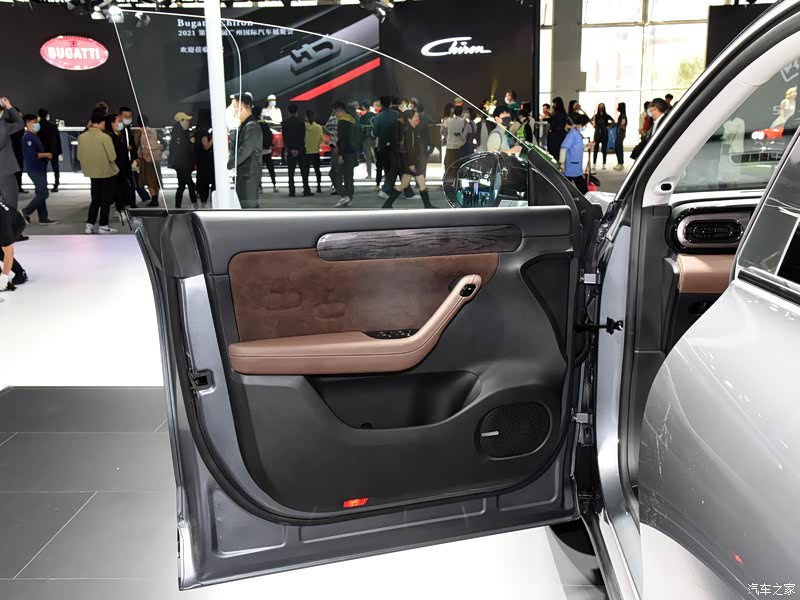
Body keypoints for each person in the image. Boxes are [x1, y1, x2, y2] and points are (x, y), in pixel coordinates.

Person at [381, 109, 434, 209]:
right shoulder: (410, 131)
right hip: (413, 163)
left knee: (404, 184)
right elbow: (410, 149)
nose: (417, 119)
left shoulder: (412, 130)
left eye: (418, 116)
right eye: (415, 117)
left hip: (410, 163)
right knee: (420, 183)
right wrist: (412, 164)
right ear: (409, 119)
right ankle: (428, 205)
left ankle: (387, 204)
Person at [78, 108, 118, 234]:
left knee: (95, 199)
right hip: (106, 172)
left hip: (92, 173)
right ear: (101, 122)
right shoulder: (105, 137)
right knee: (105, 200)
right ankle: (103, 225)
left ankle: (89, 225)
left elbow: (79, 156)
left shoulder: (82, 137)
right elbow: (112, 157)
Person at [21, 114, 57, 225]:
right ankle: (26, 211)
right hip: (35, 169)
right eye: (33, 122)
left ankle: (43, 217)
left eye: (36, 122)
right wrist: (46, 154)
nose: (36, 124)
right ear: (27, 124)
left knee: (40, 192)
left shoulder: (34, 136)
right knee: (43, 193)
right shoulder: (28, 138)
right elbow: (33, 154)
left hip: (40, 168)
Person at [228, 93, 263, 208]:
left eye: (234, 106)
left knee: (248, 209)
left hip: (248, 176)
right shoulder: (246, 125)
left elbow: (245, 151)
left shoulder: (251, 126)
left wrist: (229, 164)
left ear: (241, 108)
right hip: (245, 175)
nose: (233, 111)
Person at [104, 113, 134, 223]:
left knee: (122, 188)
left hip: (123, 165)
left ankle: (121, 209)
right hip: (116, 166)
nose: (120, 123)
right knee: (118, 189)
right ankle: (120, 210)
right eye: (118, 121)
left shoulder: (118, 133)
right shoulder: (110, 135)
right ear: (112, 122)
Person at [168, 112, 197, 209]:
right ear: (181, 121)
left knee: (182, 185)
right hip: (182, 164)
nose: (188, 122)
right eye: (187, 120)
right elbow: (181, 150)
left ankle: (178, 206)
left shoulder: (181, 132)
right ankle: (193, 204)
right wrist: (190, 143)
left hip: (182, 164)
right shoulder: (178, 133)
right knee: (189, 184)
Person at [332, 101, 358, 207]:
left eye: (335, 112)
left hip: (345, 153)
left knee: (335, 174)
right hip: (353, 152)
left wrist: (341, 155)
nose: (335, 115)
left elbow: (343, 140)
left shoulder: (342, 122)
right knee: (349, 177)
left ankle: (344, 195)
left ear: (339, 110)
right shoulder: (352, 120)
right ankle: (349, 198)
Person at [0, 97, 23, 213]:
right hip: (5, 170)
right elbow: (20, 123)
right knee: (10, 203)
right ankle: (9, 224)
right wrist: (9, 106)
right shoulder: (3, 126)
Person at [0, 197, 28, 291]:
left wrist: (4, 276)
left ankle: (21, 273)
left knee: (1, 252)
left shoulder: (3, 225)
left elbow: (9, 253)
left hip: (15, 224)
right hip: (8, 217)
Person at [373, 96, 399, 193]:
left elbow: (375, 132)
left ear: (381, 104)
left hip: (382, 144)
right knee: (394, 166)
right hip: (395, 144)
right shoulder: (397, 115)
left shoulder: (378, 117)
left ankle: (379, 184)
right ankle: (392, 185)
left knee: (381, 165)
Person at [561, 114, 590, 194]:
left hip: (575, 165)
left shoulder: (577, 134)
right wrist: (562, 163)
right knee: (581, 187)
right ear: (581, 124)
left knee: (567, 186)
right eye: (586, 125)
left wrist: (587, 146)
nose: (586, 127)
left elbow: (577, 148)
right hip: (572, 165)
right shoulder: (572, 134)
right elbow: (563, 148)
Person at [282, 103, 307, 197]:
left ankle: (292, 191)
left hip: (290, 150)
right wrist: (298, 148)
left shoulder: (285, 124)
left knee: (291, 172)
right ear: (297, 112)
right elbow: (302, 137)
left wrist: (291, 148)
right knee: (303, 171)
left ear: (288, 112)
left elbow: (285, 138)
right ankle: (306, 189)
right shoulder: (301, 123)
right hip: (300, 149)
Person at [136, 114, 161, 207]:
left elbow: (136, 144)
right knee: (156, 179)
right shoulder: (153, 130)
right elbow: (163, 142)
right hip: (156, 157)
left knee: (149, 179)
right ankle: (156, 199)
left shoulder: (139, 132)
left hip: (146, 158)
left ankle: (153, 200)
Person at [119, 106, 142, 206]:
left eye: (129, 116)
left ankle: (132, 203)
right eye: (126, 116)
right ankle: (124, 203)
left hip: (130, 161)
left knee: (132, 182)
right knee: (123, 183)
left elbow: (132, 144)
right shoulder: (117, 129)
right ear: (120, 116)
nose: (128, 118)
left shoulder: (128, 129)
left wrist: (135, 157)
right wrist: (125, 148)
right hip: (121, 161)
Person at [37, 109, 62, 192]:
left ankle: (42, 185)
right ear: (47, 115)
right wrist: (59, 151)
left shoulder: (37, 126)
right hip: (53, 149)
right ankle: (56, 184)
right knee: (55, 168)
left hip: (42, 150)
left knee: (42, 169)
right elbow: (58, 139)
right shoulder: (53, 126)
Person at [194, 111, 214, 208]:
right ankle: (205, 202)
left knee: (202, 182)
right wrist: (213, 138)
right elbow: (206, 146)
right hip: (206, 162)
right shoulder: (203, 132)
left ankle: (203, 202)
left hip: (200, 161)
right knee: (207, 182)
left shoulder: (197, 131)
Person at [303, 110, 324, 195]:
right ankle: (319, 186)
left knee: (305, 171)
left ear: (306, 117)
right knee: (317, 170)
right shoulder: (318, 127)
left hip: (306, 151)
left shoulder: (303, 127)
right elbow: (321, 139)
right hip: (315, 151)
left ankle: (306, 187)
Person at [442, 104, 469, 169]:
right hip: (459, 147)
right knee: (458, 166)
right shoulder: (463, 121)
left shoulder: (448, 120)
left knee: (448, 166)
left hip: (449, 146)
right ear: (462, 112)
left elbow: (444, 127)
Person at [257, 115, 278, 193]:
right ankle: (274, 185)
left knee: (259, 170)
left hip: (258, 152)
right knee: (271, 169)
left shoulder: (254, 126)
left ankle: (260, 187)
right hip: (267, 151)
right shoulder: (266, 125)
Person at [591, 103, 614, 169]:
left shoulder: (606, 115)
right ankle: (594, 164)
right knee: (596, 149)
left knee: (604, 149)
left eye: (602, 107)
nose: (601, 108)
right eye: (600, 107)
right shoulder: (596, 116)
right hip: (597, 134)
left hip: (604, 134)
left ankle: (604, 164)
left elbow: (613, 121)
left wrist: (609, 126)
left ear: (604, 108)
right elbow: (590, 121)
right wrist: (593, 125)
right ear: (598, 108)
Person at [359, 103, 376, 180]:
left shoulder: (363, 117)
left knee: (368, 157)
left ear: (363, 107)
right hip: (375, 138)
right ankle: (379, 172)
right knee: (376, 156)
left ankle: (369, 174)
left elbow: (361, 129)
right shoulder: (376, 116)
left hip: (366, 138)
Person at [613, 102, 628, 171]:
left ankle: (620, 163)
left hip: (620, 134)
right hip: (620, 133)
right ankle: (619, 162)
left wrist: (617, 125)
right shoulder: (622, 115)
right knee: (618, 147)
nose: (617, 108)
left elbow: (623, 124)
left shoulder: (623, 115)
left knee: (618, 148)